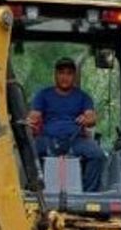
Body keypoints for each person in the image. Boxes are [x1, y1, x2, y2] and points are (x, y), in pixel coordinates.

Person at [28, 57, 105, 192]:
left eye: (69, 73)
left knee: (97, 155)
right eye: (61, 73)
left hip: (75, 140)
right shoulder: (43, 95)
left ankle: (89, 194)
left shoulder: (82, 97)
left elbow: (91, 117)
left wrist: (87, 119)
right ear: (55, 75)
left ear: (74, 76)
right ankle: (34, 190)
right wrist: (30, 121)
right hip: (48, 139)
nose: (65, 77)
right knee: (27, 153)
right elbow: (34, 115)